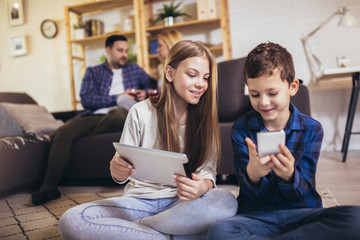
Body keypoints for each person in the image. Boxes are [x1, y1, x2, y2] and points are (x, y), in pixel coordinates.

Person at [59, 40, 238, 240]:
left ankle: (141, 230)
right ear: (169, 73)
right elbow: (120, 168)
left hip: (182, 204)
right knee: (72, 221)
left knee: (226, 201)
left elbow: (208, 172)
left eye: (205, 77)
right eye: (192, 75)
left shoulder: (205, 118)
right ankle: (172, 235)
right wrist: (117, 169)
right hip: (139, 201)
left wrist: (203, 186)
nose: (201, 84)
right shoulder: (141, 112)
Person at [207, 42, 360, 240]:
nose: (263, 102)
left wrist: (290, 176)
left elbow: (304, 192)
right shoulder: (241, 129)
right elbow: (249, 195)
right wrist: (253, 176)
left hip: (302, 214)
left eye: (272, 93)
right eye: (255, 94)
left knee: (355, 219)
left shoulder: (312, 129)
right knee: (219, 232)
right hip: (258, 217)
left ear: (292, 87)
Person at [32, 35, 157, 205]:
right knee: (63, 132)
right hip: (93, 115)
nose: (124, 55)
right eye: (120, 50)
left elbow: (153, 86)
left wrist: (145, 92)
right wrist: (116, 96)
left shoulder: (135, 70)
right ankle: (48, 186)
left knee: (120, 113)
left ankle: (85, 134)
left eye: (126, 51)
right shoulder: (94, 71)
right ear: (108, 50)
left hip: (120, 114)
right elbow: (86, 99)